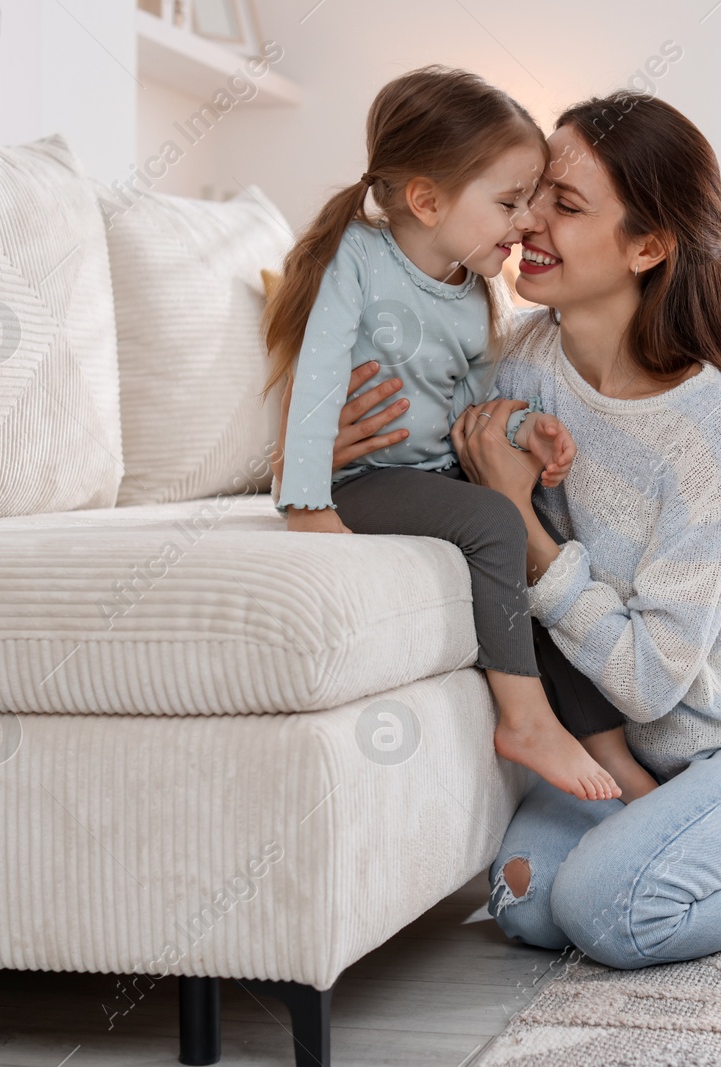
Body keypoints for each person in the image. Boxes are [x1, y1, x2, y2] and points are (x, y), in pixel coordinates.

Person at [446, 91, 721, 968]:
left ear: (647, 246)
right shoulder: (522, 361)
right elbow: (431, 460)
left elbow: (649, 682)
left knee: (606, 914)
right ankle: (690, 844)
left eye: (565, 206)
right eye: (530, 195)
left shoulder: (711, 424)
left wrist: (525, 525)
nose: (528, 221)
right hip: (636, 758)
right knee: (525, 905)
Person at [262, 65, 620, 802]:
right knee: (495, 518)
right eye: (510, 202)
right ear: (427, 199)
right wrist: (306, 503)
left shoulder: (470, 292)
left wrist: (527, 427)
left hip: (429, 475)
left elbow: (472, 410)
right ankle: (523, 720)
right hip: (360, 483)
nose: (526, 222)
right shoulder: (358, 261)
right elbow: (319, 376)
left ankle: (618, 756)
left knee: (535, 538)